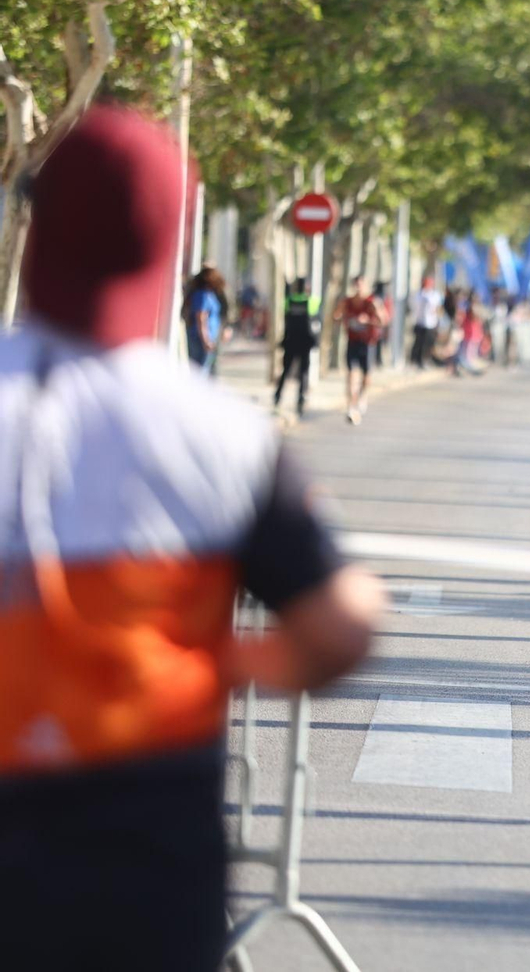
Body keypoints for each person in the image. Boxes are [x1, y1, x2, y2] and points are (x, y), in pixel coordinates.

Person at [0, 105, 383, 972]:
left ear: (35, 230)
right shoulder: (221, 435)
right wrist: (213, 661)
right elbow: (342, 625)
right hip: (143, 880)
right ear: (165, 251)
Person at [331, 274, 388, 425]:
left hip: (368, 343)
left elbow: (384, 321)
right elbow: (335, 316)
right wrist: (343, 319)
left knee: (366, 378)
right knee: (351, 375)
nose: (358, 288)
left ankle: (362, 398)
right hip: (353, 341)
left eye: (361, 285)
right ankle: (351, 406)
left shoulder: (372, 302)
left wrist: (368, 320)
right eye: (356, 285)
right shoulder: (347, 302)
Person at [273, 276, 317, 419]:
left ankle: (278, 396)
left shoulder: (288, 301)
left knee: (286, 371)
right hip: (304, 342)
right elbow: (315, 319)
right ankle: (300, 399)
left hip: (290, 341)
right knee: (303, 372)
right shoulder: (311, 301)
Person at [181, 265, 228, 375]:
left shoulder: (208, 294)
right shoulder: (202, 295)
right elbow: (201, 318)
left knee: (206, 370)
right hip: (199, 339)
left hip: (206, 338)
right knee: (200, 372)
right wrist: (206, 340)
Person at [409, 276, 444, 369]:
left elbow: (439, 308)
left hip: (431, 323)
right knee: (418, 343)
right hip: (420, 322)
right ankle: (415, 360)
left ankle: (426, 359)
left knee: (428, 343)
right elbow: (414, 307)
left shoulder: (435, 295)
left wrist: (438, 318)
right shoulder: (418, 294)